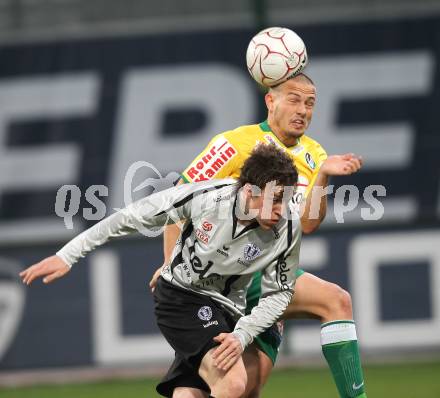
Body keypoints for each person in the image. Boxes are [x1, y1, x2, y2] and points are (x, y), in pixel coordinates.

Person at [20, 144, 302, 398]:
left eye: (285, 199)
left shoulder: (287, 227)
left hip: (228, 310)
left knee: (190, 393)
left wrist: (243, 333)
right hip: (181, 296)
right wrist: (67, 255)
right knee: (234, 383)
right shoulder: (207, 198)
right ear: (249, 190)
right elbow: (129, 217)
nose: (281, 209)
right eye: (275, 199)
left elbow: (280, 292)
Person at [150, 73, 366, 398]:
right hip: (223, 274)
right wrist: (170, 262)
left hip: (268, 274)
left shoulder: (314, 154)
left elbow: (308, 223)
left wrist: (323, 175)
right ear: (270, 101)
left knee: (246, 385)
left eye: (310, 103)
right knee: (336, 301)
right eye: (293, 99)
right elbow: (177, 201)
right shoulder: (234, 143)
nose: (303, 110)